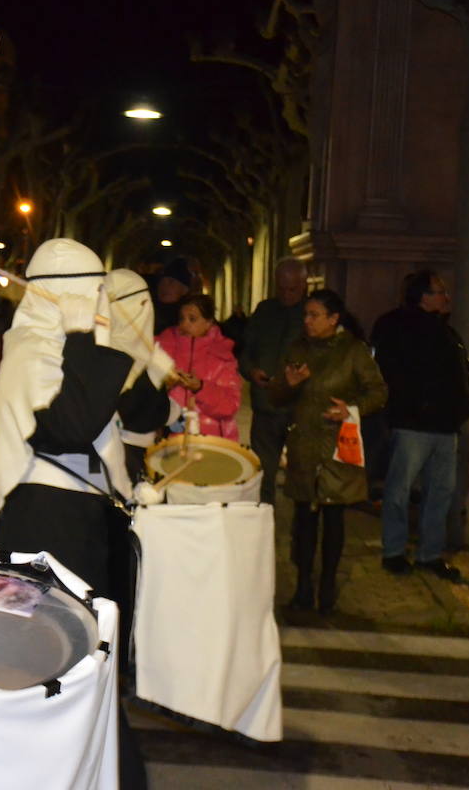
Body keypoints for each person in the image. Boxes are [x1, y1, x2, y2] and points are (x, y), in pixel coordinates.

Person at [0, 238, 149, 790]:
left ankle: (87, 788)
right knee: (55, 662)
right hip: (45, 523)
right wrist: (85, 338)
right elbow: (70, 426)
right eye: (92, 290)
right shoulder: (34, 347)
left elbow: (137, 415)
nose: (99, 299)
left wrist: (127, 348)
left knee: (82, 658)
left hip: (75, 517)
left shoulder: (58, 344)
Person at [268, 289, 387, 613]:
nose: (307, 321)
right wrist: (288, 383)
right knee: (303, 523)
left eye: (314, 315)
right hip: (304, 446)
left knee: (334, 520)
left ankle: (328, 585)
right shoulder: (298, 348)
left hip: (337, 449)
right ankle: (304, 585)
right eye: (305, 315)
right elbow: (276, 397)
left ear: (334, 319)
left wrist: (351, 409)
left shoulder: (353, 350)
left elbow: (378, 392)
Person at [371, 270, 469, 582]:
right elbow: (388, 371)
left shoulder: (445, 331)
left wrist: (464, 403)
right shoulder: (397, 327)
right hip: (413, 423)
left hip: (445, 425)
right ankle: (394, 551)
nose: (446, 297)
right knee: (399, 490)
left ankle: (429, 553)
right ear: (423, 297)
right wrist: (412, 405)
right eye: (440, 291)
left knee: (440, 493)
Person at [238, 257, 308, 503]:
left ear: (304, 285)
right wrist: (251, 371)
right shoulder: (265, 311)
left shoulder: (311, 314)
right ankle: (264, 518)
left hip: (299, 407)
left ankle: (300, 529)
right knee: (263, 472)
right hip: (266, 404)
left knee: (301, 476)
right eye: (282, 288)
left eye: (293, 289)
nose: (287, 295)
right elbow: (246, 351)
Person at [103, 269, 179, 482]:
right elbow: (120, 413)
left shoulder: (142, 348)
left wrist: (169, 408)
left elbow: (150, 414)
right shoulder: (106, 351)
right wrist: (153, 377)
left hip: (144, 454)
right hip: (116, 456)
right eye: (141, 302)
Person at [157, 293, 241, 441]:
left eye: (192, 319)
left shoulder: (222, 356)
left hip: (212, 441)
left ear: (209, 322)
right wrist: (164, 385)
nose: (184, 324)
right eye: (181, 318)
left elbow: (230, 406)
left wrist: (201, 388)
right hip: (170, 441)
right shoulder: (163, 347)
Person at [152, 257, 193, 334]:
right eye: (162, 281)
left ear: (185, 290)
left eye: (171, 282)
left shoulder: (192, 315)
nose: (165, 286)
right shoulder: (147, 308)